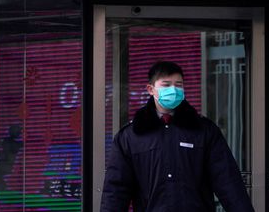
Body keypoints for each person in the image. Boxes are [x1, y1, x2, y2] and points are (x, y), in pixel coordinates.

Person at [101, 61, 254, 211]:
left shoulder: (203, 130)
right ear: (151, 89)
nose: (173, 90)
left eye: (179, 85)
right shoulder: (131, 136)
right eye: (166, 85)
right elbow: (116, 190)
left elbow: (228, 182)